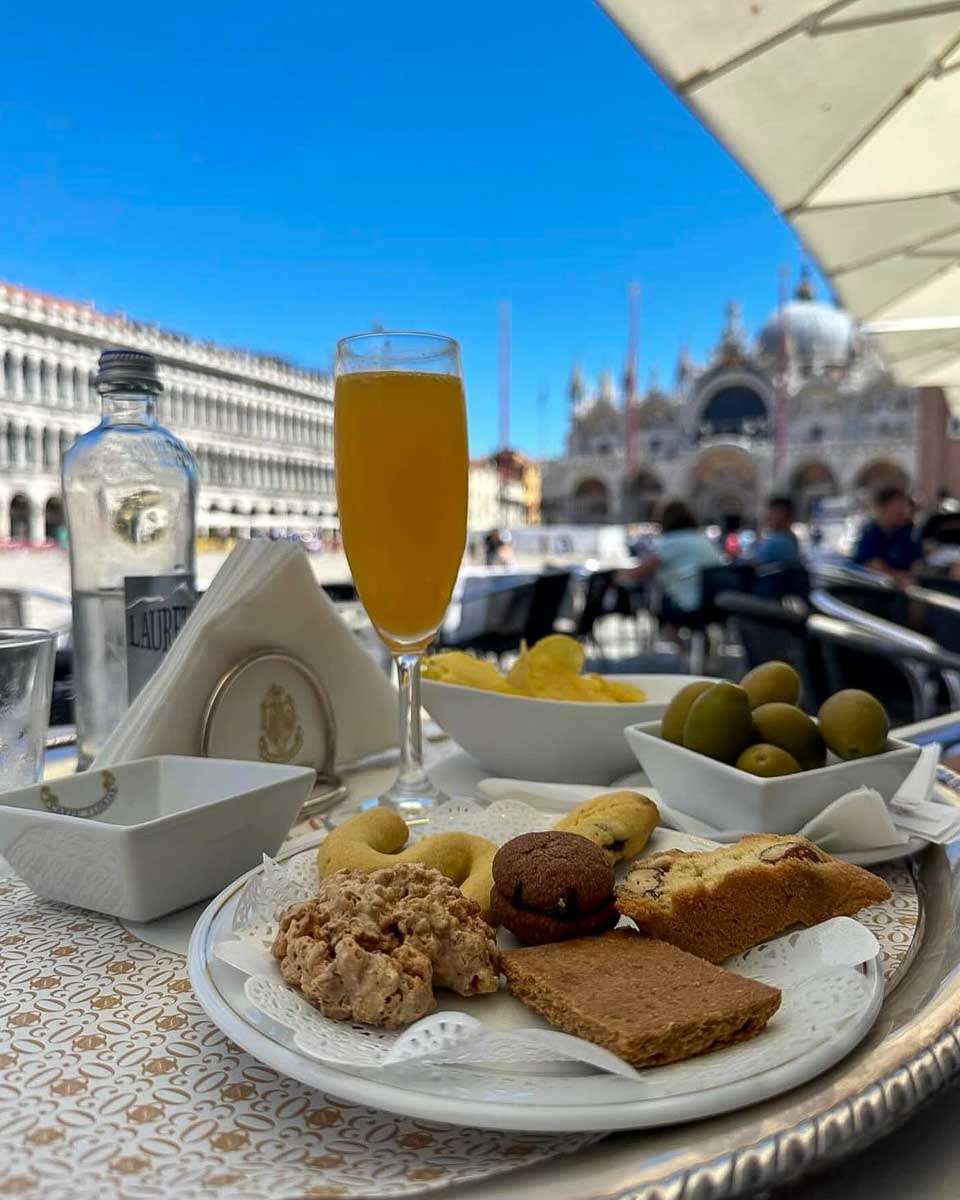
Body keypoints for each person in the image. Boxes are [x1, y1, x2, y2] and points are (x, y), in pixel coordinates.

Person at [619, 498, 724, 618]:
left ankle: (671, 634)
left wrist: (618, 573)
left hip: (689, 603)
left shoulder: (671, 542)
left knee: (661, 607)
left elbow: (641, 571)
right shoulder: (703, 539)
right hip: (715, 601)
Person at [850, 485, 923, 584]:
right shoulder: (870, 535)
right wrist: (904, 577)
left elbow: (918, 566)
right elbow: (877, 571)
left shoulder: (905, 534)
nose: (904, 512)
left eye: (905, 507)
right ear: (881, 508)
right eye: (899, 507)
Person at [755, 496, 801, 567]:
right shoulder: (788, 539)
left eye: (773, 512)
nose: (768, 516)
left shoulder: (781, 543)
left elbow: (757, 563)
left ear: (784, 514)